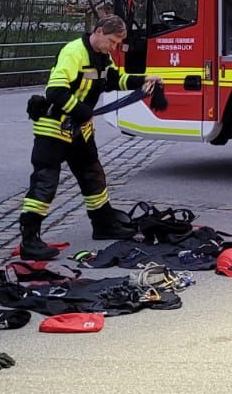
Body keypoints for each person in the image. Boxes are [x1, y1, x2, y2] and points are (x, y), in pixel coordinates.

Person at [18, 16, 162, 260]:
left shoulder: (103, 57)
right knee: (45, 183)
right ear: (98, 32)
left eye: (118, 43)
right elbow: (55, 91)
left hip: (80, 130)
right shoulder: (73, 52)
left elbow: (115, 80)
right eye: (112, 41)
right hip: (54, 128)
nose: (114, 47)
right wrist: (80, 110)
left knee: (93, 177)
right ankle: (29, 240)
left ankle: (103, 224)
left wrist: (143, 80)